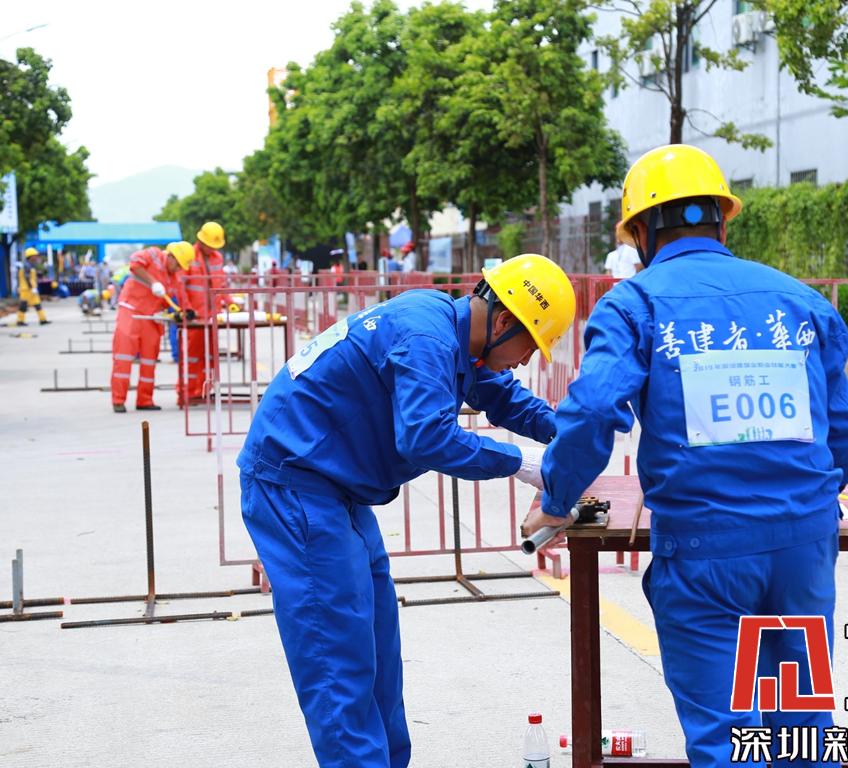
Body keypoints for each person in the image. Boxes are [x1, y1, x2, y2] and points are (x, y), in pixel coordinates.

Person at [523, 145, 848, 768]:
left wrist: (557, 497)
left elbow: (594, 411)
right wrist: (811, 501)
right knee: (804, 729)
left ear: (642, 233)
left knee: (726, 737)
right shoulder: (801, 301)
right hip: (804, 546)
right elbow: (842, 428)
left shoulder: (636, 304)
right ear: (722, 222)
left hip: (707, 551)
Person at [237, 254, 576, 768]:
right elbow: (426, 438)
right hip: (296, 486)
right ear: (504, 322)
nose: (526, 360)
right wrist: (523, 463)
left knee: (376, 653)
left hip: (336, 488)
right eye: (529, 345)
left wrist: (572, 435)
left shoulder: (456, 336)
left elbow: (505, 398)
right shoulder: (427, 336)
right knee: (338, 662)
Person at [110, 242, 195, 413]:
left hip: (152, 317)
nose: (178, 269)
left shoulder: (174, 277)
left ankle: (145, 400)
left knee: (149, 360)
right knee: (124, 357)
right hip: (131, 311)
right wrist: (154, 282)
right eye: (178, 265)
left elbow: (179, 298)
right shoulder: (153, 254)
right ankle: (118, 400)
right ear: (171, 256)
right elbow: (135, 265)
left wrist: (187, 311)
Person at [178, 221, 227, 406]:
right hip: (196, 318)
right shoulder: (189, 255)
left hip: (213, 317)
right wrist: (188, 309)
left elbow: (221, 285)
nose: (212, 249)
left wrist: (229, 303)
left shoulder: (217, 258)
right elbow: (181, 287)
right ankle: (187, 393)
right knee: (192, 357)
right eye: (210, 245)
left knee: (210, 357)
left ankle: (204, 392)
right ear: (201, 241)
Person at [15, 247, 50, 326]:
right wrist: (32, 287)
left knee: (37, 304)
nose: (36, 257)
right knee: (23, 305)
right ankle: (20, 321)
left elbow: (32, 275)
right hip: (26, 289)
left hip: (31, 289)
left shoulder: (31, 265)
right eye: (35, 255)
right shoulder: (26, 265)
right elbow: (27, 277)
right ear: (30, 256)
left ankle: (43, 319)